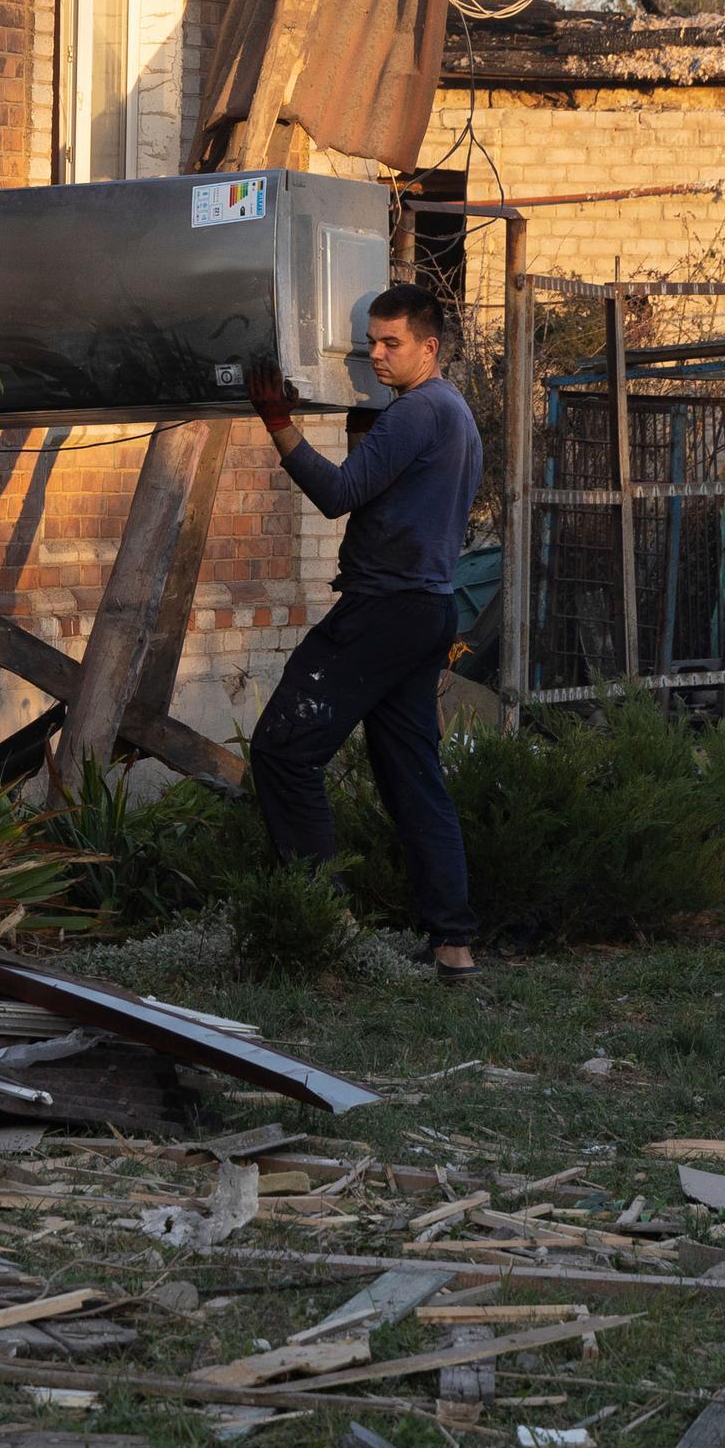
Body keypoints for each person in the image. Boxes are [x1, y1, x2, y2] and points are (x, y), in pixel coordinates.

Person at [242, 284, 484, 980]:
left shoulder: (419, 410)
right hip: (426, 611)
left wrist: (277, 421)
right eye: (371, 341)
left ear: (429, 347)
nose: (376, 353)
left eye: (391, 343)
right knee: (413, 777)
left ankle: (327, 924)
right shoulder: (453, 413)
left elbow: (338, 494)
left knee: (284, 752)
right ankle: (452, 942)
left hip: (382, 611)